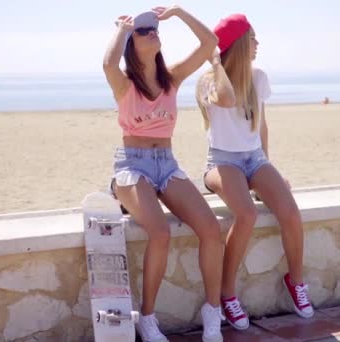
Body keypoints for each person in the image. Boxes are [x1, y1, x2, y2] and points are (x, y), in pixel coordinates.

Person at [103, 7, 224, 342]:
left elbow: (209, 42)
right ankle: (147, 318)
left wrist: (178, 12)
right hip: (132, 164)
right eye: (143, 31)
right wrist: (122, 29)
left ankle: (212, 312)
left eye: (153, 28)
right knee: (160, 232)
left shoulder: (171, 77)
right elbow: (107, 64)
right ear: (131, 42)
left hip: (167, 164)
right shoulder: (125, 84)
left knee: (211, 229)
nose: (151, 32)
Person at [195, 13, 314, 330]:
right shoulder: (209, 81)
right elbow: (226, 97)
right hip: (222, 162)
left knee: (288, 209)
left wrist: (267, 173)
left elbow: (261, 125)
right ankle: (227, 294)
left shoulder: (259, 77)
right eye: (252, 38)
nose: (258, 43)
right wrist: (218, 62)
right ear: (236, 45)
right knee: (245, 214)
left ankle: (296, 281)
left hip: (253, 159)